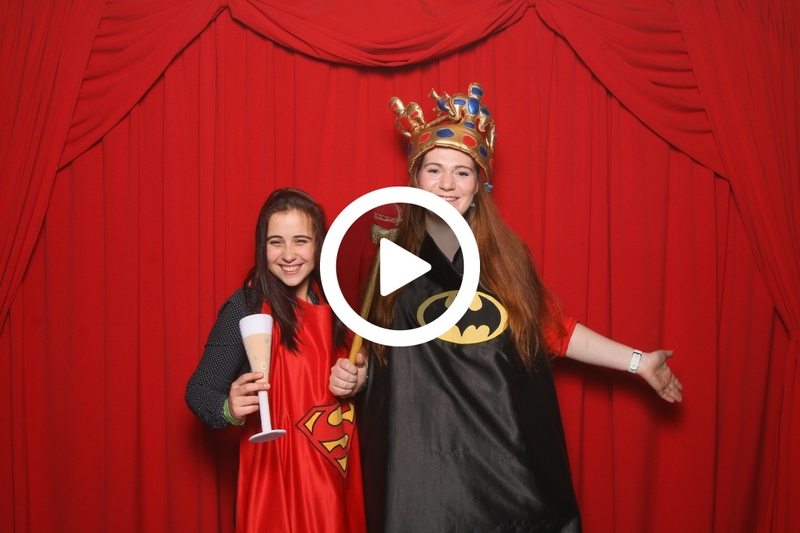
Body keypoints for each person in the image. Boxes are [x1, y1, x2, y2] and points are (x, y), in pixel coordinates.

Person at [329, 83, 683, 532]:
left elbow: (556, 332)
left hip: (499, 459)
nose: (447, 184)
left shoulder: (505, 259)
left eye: (462, 172)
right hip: (420, 464)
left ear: (478, 185)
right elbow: (364, 351)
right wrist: (353, 376)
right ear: (415, 179)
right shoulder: (384, 257)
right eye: (434, 170)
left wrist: (640, 362)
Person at [186, 188, 367, 533]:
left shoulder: (343, 304)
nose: (288, 255)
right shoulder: (246, 306)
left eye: (301, 241)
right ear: (262, 247)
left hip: (333, 479)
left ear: (319, 245)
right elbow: (199, 390)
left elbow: (379, 380)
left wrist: (362, 378)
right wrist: (229, 408)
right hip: (274, 483)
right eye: (276, 242)